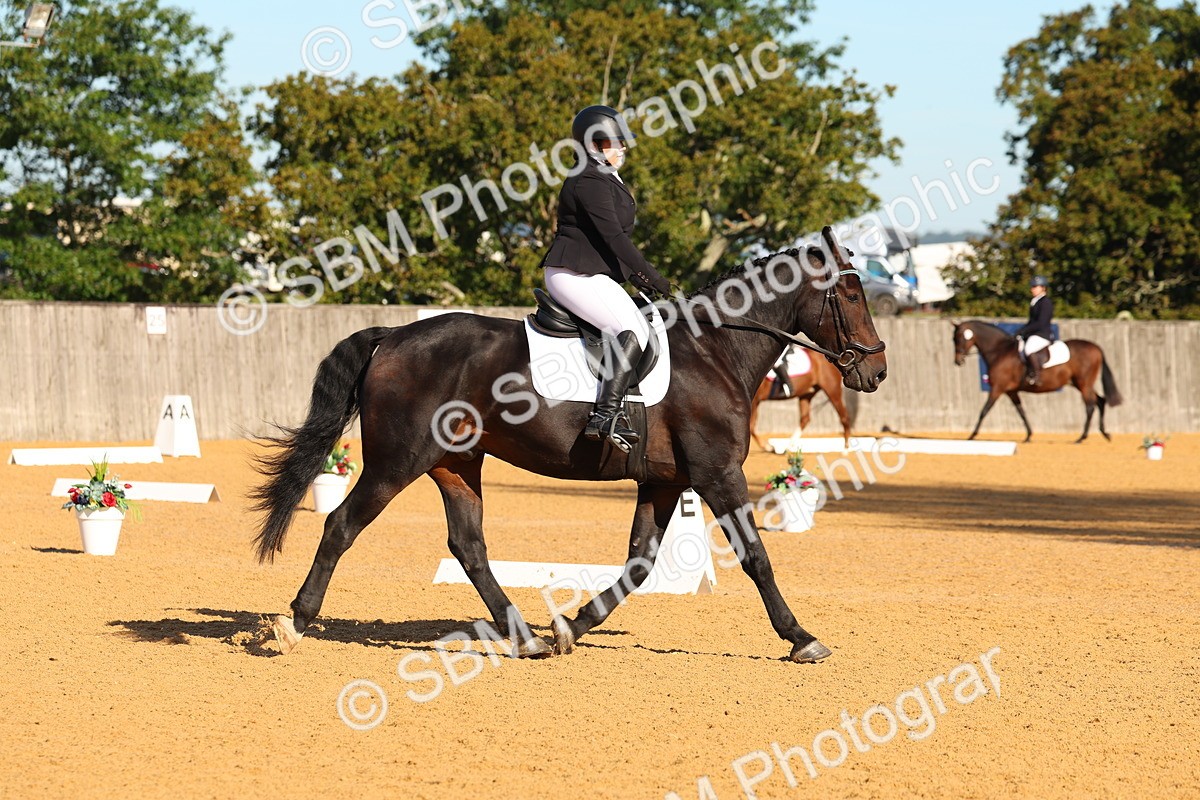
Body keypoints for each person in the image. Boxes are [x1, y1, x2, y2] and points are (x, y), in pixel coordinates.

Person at [540, 104, 671, 449]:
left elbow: (607, 242)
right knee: (628, 331)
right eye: (617, 142)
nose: (624, 147)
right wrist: (652, 276)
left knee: (643, 326)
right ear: (596, 144)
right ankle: (605, 416)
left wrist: (637, 278)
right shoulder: (588, 180)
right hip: (572, 274)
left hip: (592, 273)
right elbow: (614, 237)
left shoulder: (605, 175)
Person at [1016, 275, 1054, 386]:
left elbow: (1041, 323)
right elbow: (1031, 322)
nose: (1032, 289)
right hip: (1035, 333)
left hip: (1042, 334)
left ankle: (1037, 376)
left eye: (1035, 287)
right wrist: (1021, 331)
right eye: (1032, 287)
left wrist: (1025, 331)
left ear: (1043, 288)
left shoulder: (1045, 302)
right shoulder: (1035, 302)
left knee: (1029, 349)